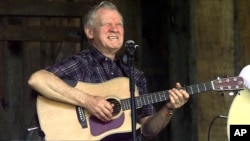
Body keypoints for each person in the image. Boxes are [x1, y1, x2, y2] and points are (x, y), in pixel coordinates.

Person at [28, 1, 189, 140]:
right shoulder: (82, 63)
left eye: (119, 24)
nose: (115, 29)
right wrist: (88, 101)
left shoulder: (135, 76)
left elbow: (148, 130)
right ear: (89, 32)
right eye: (107, 24)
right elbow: (37, 79)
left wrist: (169, 108)